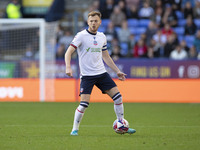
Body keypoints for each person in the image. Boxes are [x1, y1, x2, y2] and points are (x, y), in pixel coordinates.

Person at [65, 11, 136, 136]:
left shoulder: (102, 36)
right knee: (84, 104)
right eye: (91, 21)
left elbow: (106, 57)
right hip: (87, 76)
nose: (93, 23)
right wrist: (68, 67)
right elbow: (68, 52)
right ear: (88, 22)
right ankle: (74, 129)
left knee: (118, 97)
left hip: (101, 73)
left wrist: (117, 71)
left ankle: (122, 124)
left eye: (95, 21)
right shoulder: (81, 36)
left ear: (100, 22)